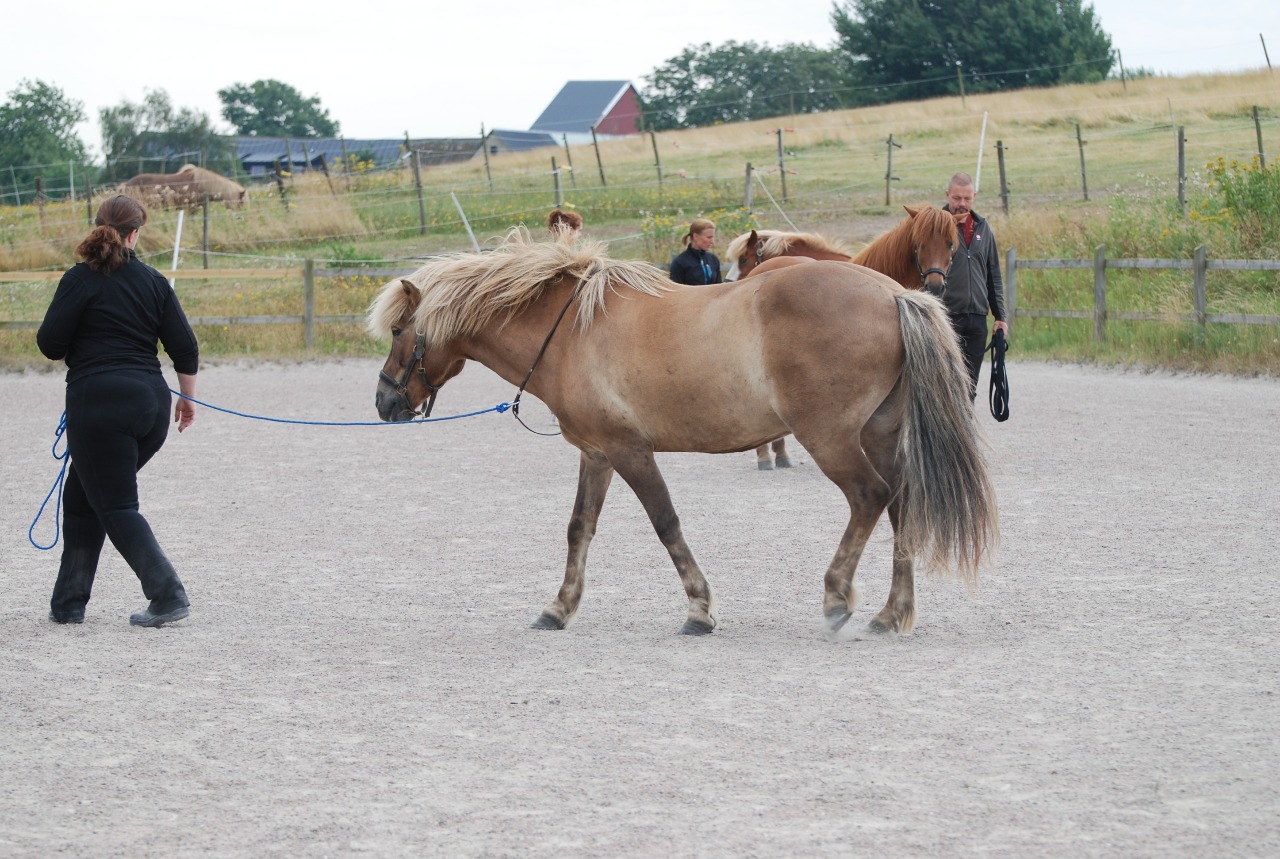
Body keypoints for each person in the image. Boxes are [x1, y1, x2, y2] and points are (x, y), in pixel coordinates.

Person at [37, 194, 200, 628]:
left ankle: (167, 593)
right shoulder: (154, 281)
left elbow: (50, 344)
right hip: (152, 406)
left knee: (115, 503)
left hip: (99, 406)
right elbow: (185, 347)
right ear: (134, 234)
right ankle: (68, 602)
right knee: (82, 496)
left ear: (97, 227)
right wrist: (187, 398)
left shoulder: (78, 280)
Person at [938, 172, 1009, 401]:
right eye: (957, 198)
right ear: (947, 195)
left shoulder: (982, 228)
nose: (962, 204)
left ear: (974, 197)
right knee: (946, 386)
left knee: (969, 387)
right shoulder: (936, 226)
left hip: (977, 318)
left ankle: (964, 423)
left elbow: (993, 275)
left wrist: (1000, 317)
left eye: (967, 198)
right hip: (946, 317)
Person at [668, 218, 722, 285]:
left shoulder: (713, 260)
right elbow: (675, 289)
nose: (712, 241)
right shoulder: (679, 262)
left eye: (713, 237)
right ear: (695, 236)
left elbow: (719, 286)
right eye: (709, 237)